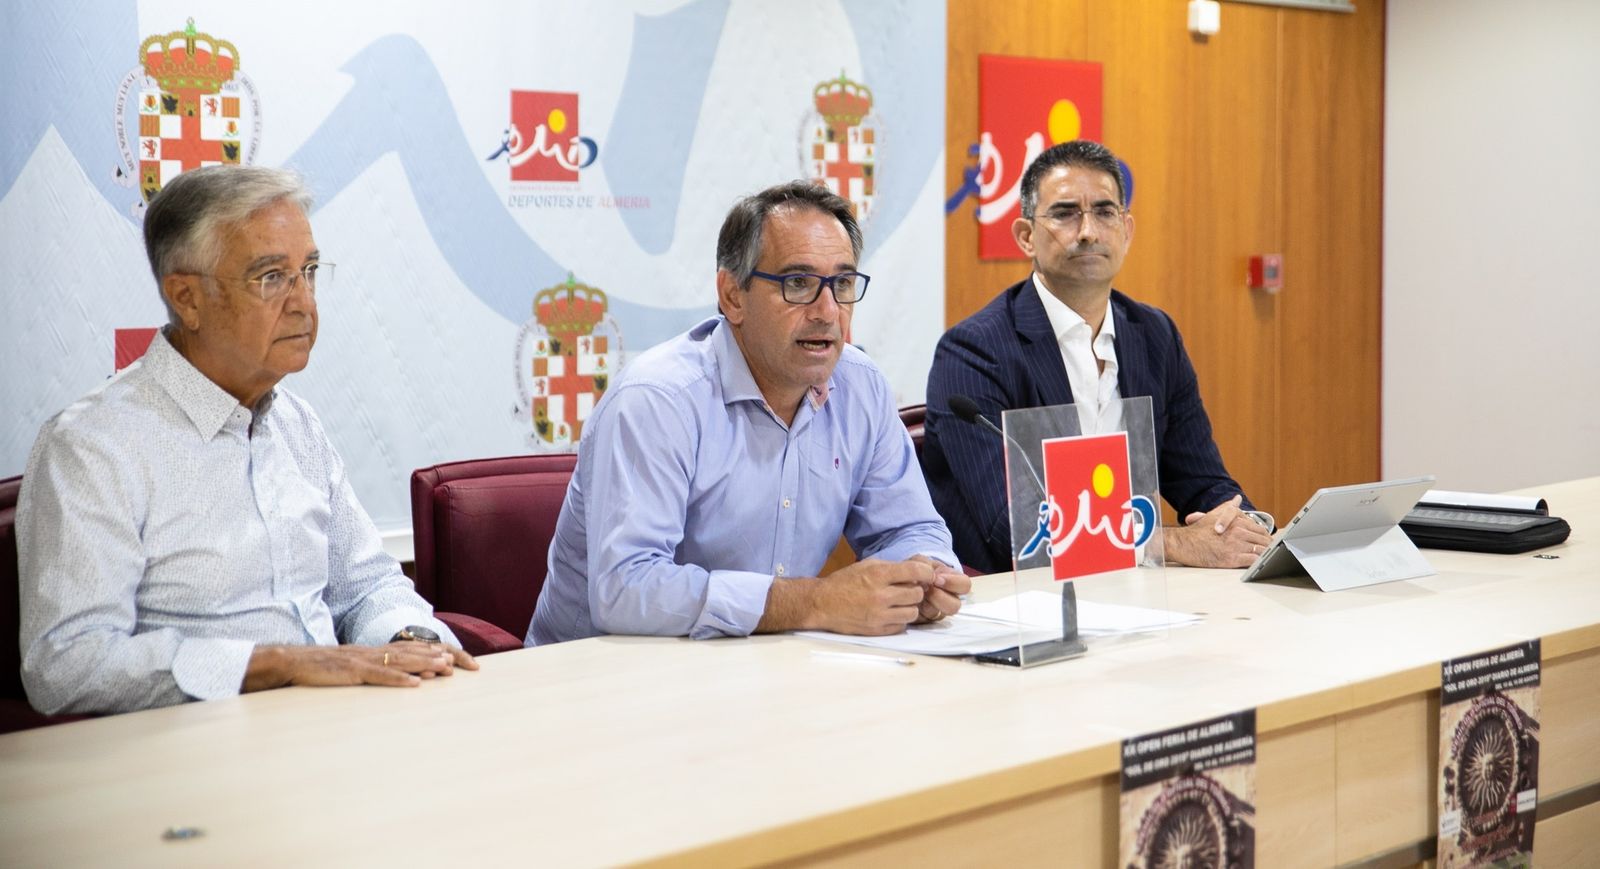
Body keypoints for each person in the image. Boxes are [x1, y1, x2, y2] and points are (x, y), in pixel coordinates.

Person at [17, 165, 476, 715]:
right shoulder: (94, 446)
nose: (304, 302)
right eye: (271, 278)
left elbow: (368, 583)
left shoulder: (296, 424)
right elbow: (67, 666)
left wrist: (410, 641)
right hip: (193, 753)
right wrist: (276, 664)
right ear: (187, 298)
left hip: (336, 729)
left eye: (308, 270)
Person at [527, 181, 968, 645]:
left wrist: (926, 574)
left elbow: (911, 527)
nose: (827, 311)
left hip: (761, 667)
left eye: (841, 284)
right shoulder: (658, 399)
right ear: (732, 296)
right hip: (600, 684)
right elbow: (627, 589)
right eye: (798, 284)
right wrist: (813, 602)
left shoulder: (861, 387)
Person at [923, 140, 1272, 574]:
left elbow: (1203, 482)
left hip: (1135, 593)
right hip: (1018, 602)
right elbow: (1016, 529)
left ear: (1126, 231)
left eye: (1105, 212)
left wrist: (1253, 534)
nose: (1088, 231)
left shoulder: (1154, 335)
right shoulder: (975, 351)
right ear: (1026, 236)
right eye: (1065, 213)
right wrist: (1166, 543)